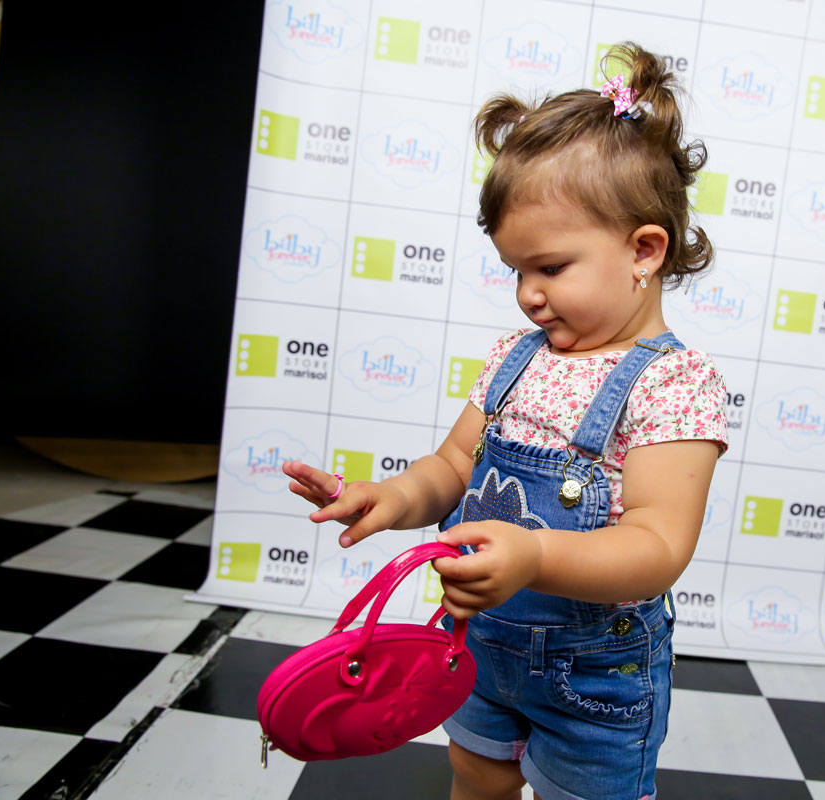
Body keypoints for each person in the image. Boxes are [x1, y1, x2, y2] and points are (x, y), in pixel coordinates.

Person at [283, 42, 728, 800]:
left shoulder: (674, 384)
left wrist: (534, 556)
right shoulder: (514, 359)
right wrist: (393, 497)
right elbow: (453, 467)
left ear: (644, 251)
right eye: (516, 270)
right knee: (475, 774)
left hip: (597, 673)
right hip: (480, 643)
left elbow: (657, 546)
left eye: (550, 268)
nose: (527, 294)